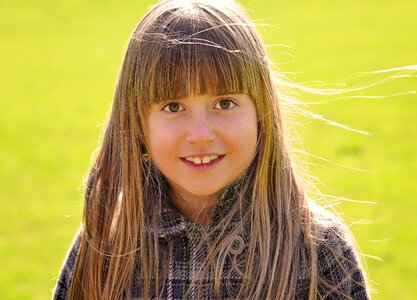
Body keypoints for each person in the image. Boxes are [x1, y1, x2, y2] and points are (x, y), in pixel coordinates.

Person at [53, 0, 370, 299]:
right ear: (137, 126)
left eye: (225, 103)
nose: (201, 135)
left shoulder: (318, 248)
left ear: (263, 114)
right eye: (173, 106)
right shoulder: (106, 247)